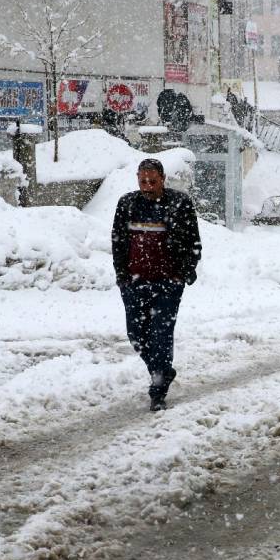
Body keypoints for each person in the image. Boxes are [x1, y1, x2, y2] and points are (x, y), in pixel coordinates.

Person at [112, 159, 202, 410]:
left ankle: (158, 389)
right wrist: (122, 275)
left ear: (163, 179)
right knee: (137, 335)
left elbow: (193, 240)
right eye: (143, 181)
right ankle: (162, 370)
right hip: (134, 282)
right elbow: (118, 242)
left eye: (152, 181)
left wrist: (183, 272)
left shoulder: (179, 202)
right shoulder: (127, 204)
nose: (147, 186)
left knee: (161, 334)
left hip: (168, 283)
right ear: (137, 179)